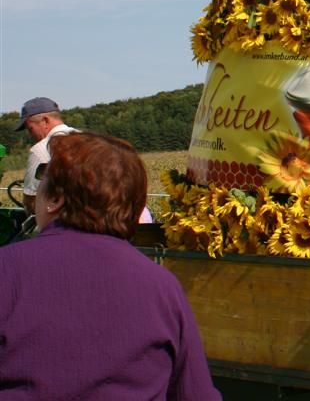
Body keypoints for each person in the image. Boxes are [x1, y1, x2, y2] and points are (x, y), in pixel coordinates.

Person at [0, 132, 220, 400]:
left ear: (56, 199)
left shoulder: (7, 270)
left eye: (42, 183)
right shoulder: (162, 286)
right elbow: (195, 394)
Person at [14, 96, 78, 212]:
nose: (30, 135)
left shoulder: (41, 149)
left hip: (66, 222)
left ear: (45, 120)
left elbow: (32, 202)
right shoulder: (90, 140)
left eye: (30, 129)